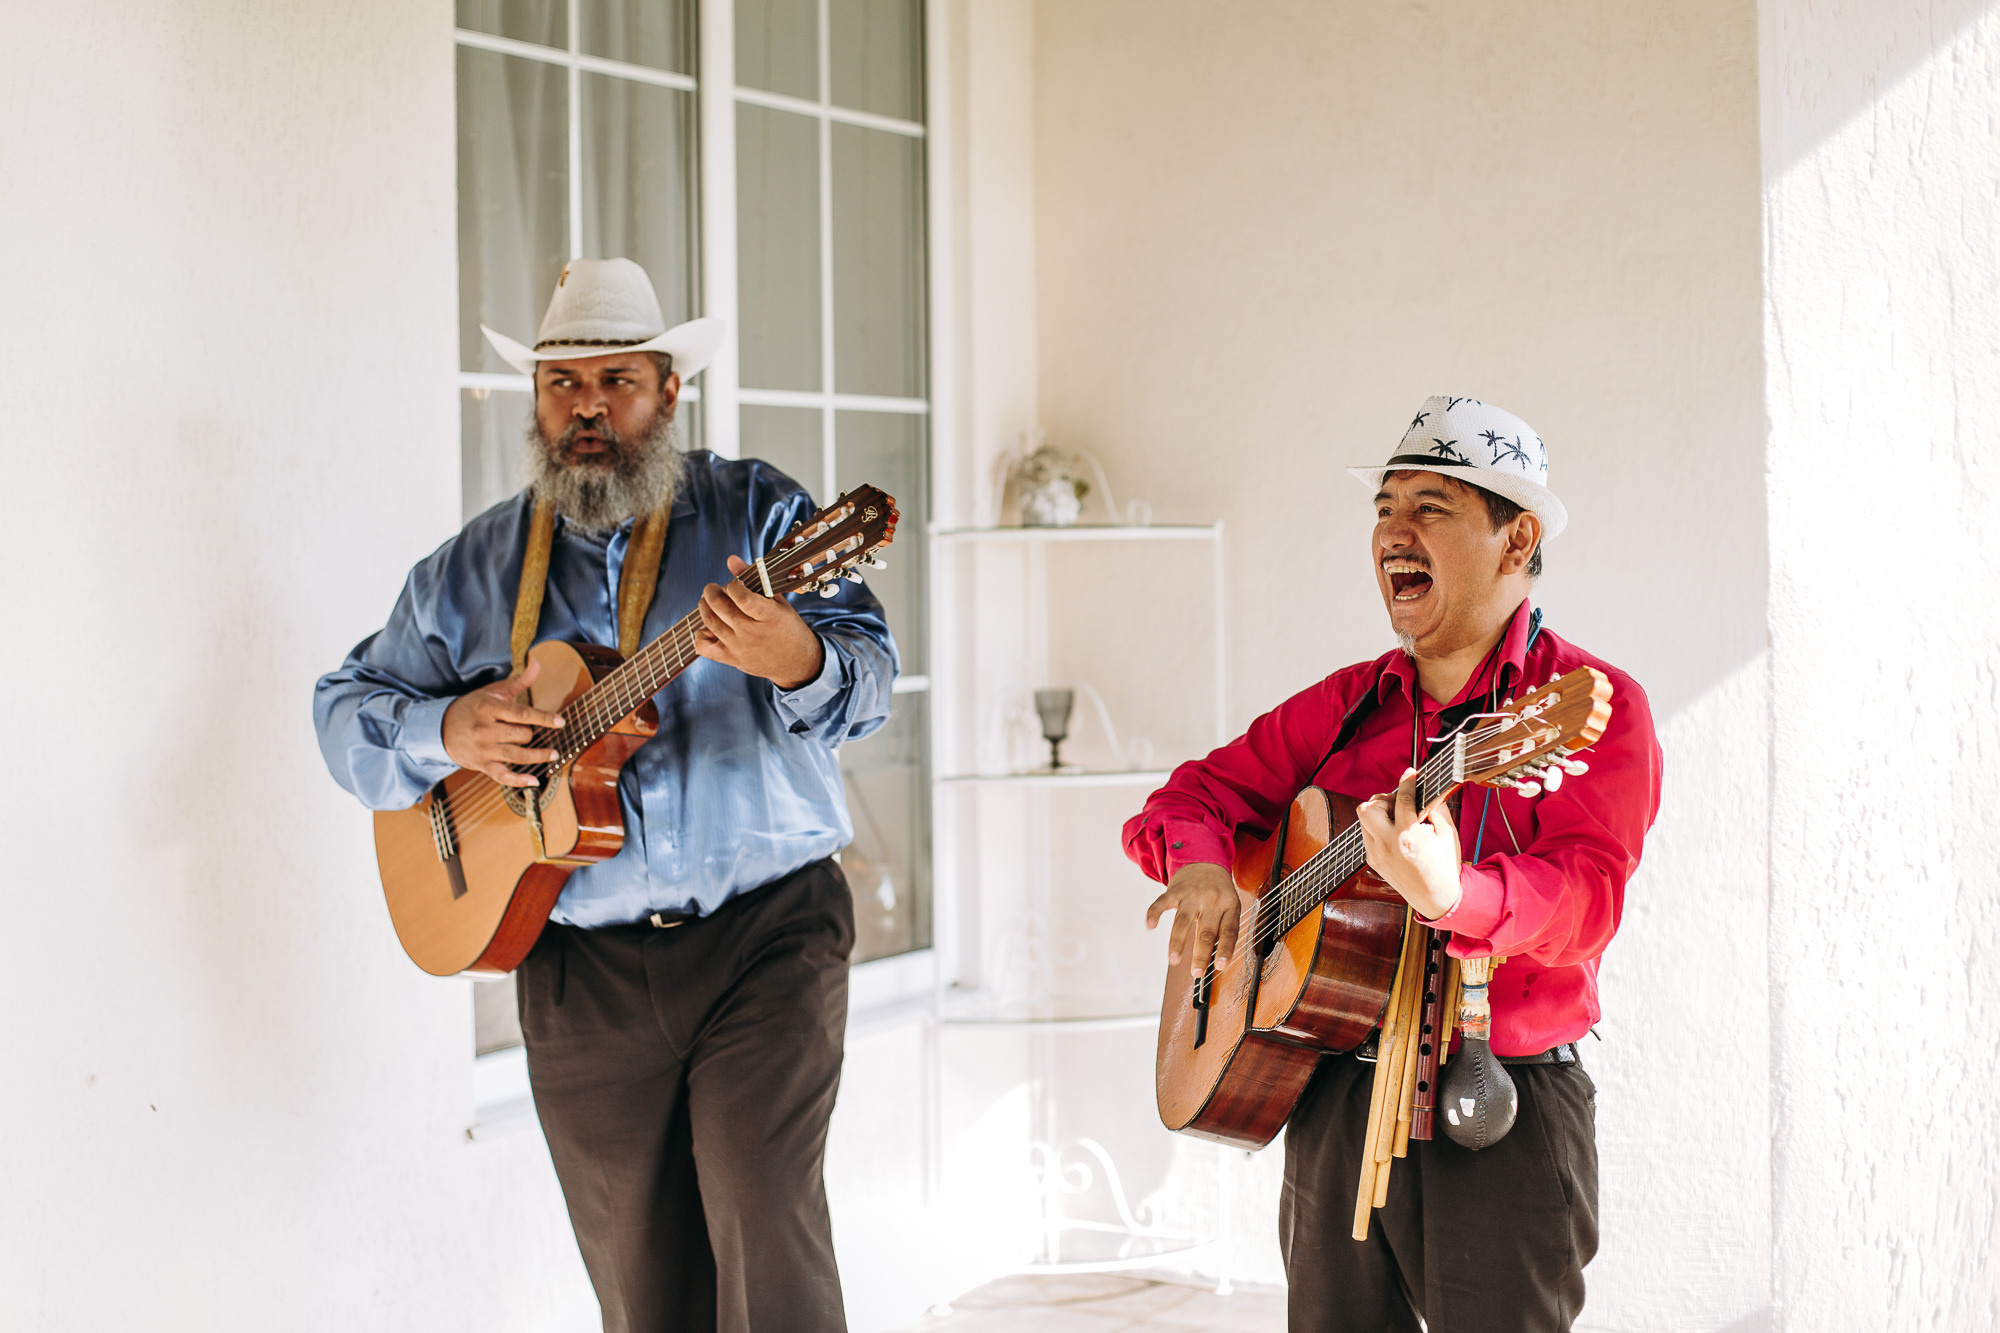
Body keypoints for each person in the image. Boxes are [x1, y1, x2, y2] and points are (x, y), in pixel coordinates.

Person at [314, 258, 896, 1333]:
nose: (588, 408)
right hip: (577, 962)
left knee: (764, 1218)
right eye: (562, 385)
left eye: (616, 381)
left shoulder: (763, 518)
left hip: (765, 935)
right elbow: (343, 712)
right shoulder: (473, 569)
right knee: (639, 1281)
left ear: (669, 390)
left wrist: (799, 655)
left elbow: (870, 681)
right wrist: (449, 729)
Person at [1124, 396, 1662, 1333]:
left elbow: (1587, 896)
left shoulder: (1591, 704)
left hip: (1498, 1097)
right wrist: (1206, 869)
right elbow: (1186, 801)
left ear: (1516, 537)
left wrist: (1459, 893)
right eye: (1383, 508)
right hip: (1333, 1085)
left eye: (1430, 507)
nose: (1391, 533)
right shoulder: (1347, 703)